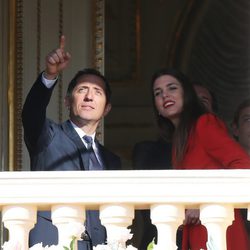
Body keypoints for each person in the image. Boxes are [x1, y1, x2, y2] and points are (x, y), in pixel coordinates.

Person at [22, 35, 121, 249]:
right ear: (67, 101)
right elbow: (31, 113)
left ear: (106, 109)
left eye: (97, 92)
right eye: (82, 90)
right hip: (53, 241)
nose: (89, 97)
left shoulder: (111, 160)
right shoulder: (48, 136)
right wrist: (49, 75)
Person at [149, 68, 250, 250]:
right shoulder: (179, 139)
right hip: (196, 233)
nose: (165, 95)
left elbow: (243, 165)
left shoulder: (204, 123)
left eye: (172, 88)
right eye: (158, 93)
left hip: (221, 233)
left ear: (187, 94)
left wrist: (205, 199)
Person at [132, 80, 218, 249]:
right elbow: (147, 204)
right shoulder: (148, 152)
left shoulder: (222, 153)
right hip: (163, 240)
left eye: (203, 102)